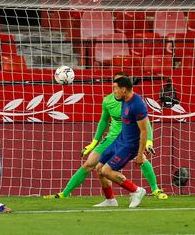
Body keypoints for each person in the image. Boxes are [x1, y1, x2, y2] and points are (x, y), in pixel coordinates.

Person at [44, 72, 167, 205]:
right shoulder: (108, 100)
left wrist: (149, 141)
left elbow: (145, 124)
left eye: (118, 84)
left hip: (128, 140)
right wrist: (93, 143)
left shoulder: (133, 101)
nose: (115, 88)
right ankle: (68, 194)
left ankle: (155, 190)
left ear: (124, 87)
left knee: (141, 158)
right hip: (112, 139)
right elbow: (103, 121)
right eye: (114, 84)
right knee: (91, 164)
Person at [96, 75, 148, 208]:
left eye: (115, 88)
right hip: (121, 140)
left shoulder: (138, 105)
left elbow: (144, 131)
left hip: (130, 145)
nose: (114, 91)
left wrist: (140, 153)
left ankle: (137, 191)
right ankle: (110, 200)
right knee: (99, 168)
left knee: (107, 171)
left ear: (123, 89)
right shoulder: (124, 99)